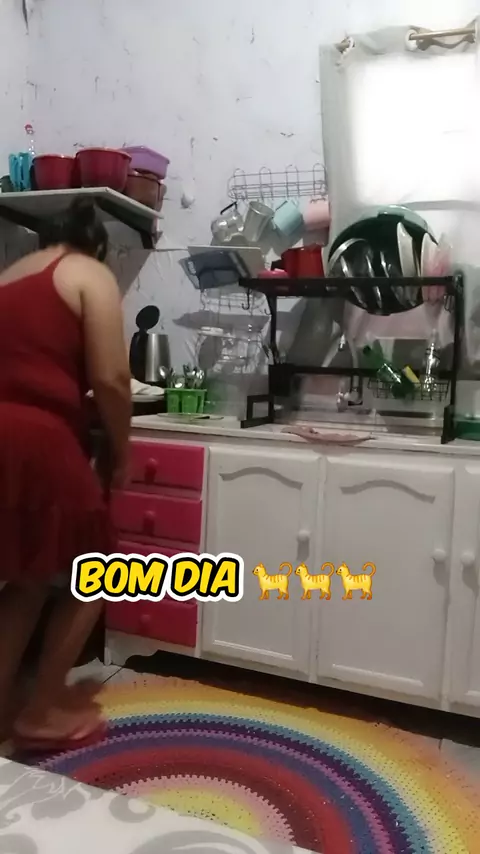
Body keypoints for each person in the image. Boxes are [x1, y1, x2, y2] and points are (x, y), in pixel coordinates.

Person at [0, 198, 131, 750]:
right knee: (98, 570)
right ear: (94, 244)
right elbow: (112, 379)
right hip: (39, 438)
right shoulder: (87, 271)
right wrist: (122, 450)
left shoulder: (9, 277)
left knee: (27, 576)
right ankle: (44, 707)